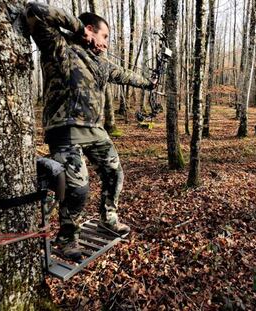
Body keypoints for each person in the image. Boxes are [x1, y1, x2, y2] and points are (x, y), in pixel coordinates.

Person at [25, 2, 155, 260]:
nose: (105, 43)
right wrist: (76, 28)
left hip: (95, 130)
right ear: (89, 30)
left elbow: (125, 75)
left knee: (114, 174)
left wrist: (149, 83)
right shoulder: (59, 47)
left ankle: (109, 218)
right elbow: (35, 11)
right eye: (103, 36)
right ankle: (67, 239)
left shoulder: (101, 63)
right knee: (78, 189)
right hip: (65, 130)